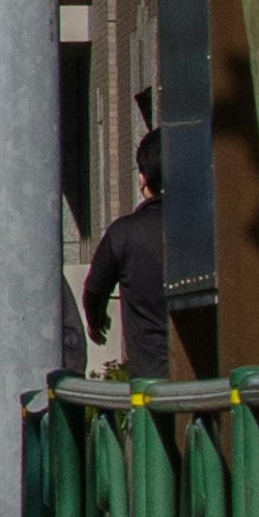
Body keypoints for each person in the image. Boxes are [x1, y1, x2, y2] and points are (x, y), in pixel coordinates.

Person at [81, 131, 170, 377]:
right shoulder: (207, 227)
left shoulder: (123, 233)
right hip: (206, 380)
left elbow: (94, 290)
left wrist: (96, 322)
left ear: (142, 179)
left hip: (149, 377)